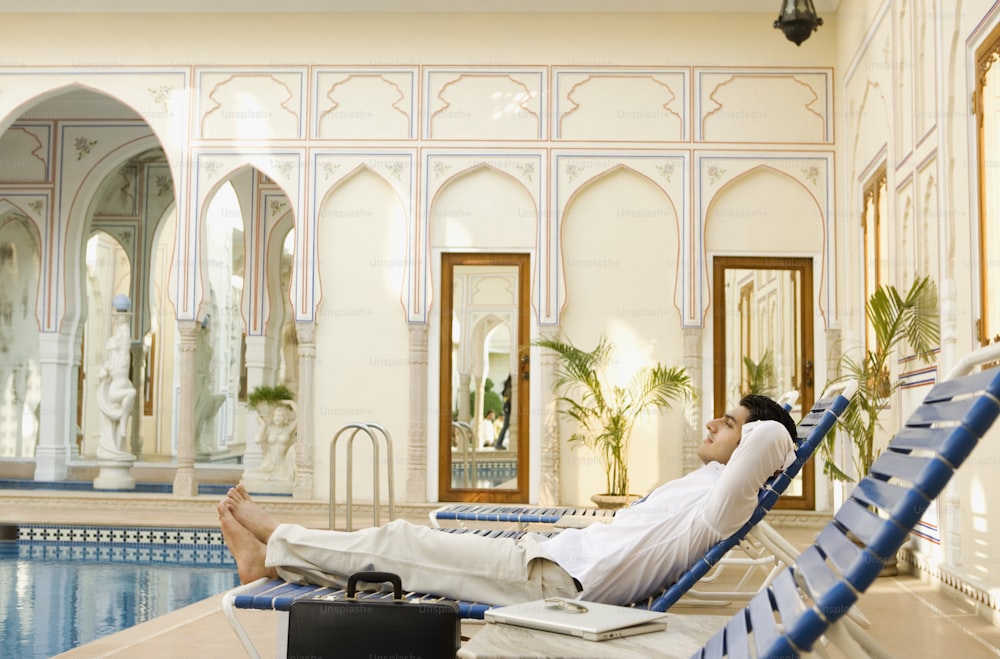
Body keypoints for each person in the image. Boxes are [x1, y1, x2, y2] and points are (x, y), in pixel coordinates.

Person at [219, 394, 797, 607]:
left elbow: (775, 438)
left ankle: (276, 539)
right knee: (406, 548)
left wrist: (766, 428)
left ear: (749, 444)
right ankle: (271, 559)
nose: (715, 424)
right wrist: (749, 427)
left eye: (731, 424)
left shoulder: (727, 504)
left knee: (399, 541)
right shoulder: (707, 487)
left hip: (555, 582)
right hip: (548, 558)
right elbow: (763, 439)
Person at [95, 318, 136, 461]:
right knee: (132, 392)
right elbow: (100, 378)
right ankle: (124, 423)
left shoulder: (124, 358)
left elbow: (125, 340)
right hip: (114, 394)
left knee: (130, 394)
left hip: (123, 395)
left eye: (114, 348)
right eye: (111, 349)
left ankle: (118, 442)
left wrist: (122, 324)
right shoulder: (109, 364)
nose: (113, 350)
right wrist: (102, 379)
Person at [244, 401, 298, 481]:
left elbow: (300, 417)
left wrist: (290, 402)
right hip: (267, 465)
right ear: (272, 417)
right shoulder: (269, 430)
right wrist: (263, 425)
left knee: (292, 475)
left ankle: (276, 477)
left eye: (280, 416)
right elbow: (257, 440)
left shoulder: (288, 430)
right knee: (246, 475)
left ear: (285, 418)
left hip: (283, 465)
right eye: (276, 415)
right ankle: (273, 478)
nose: (278, 418)